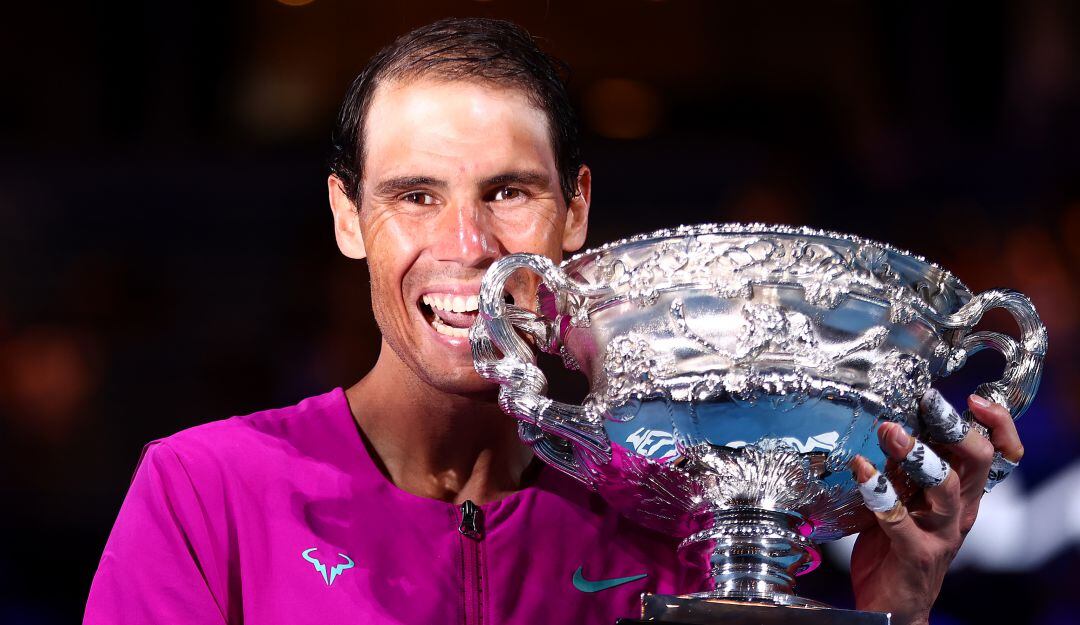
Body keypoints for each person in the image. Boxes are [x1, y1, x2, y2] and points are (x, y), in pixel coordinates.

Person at [84, 17, 1024, 625]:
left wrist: (894, 609)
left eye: (508, 191)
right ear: (344, 217)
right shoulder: (203, 494)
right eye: (414, 194)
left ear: (574, 212)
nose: (467, 243)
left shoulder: (681, 518)